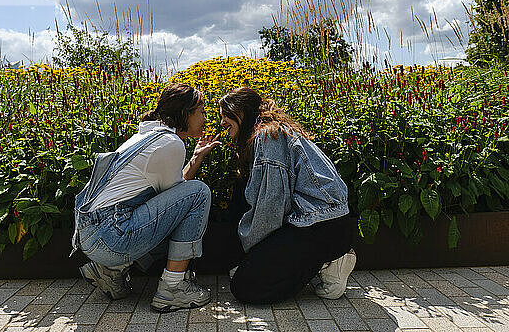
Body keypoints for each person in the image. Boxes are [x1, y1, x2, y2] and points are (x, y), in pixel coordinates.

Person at [71, 83, 221, 312]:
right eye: (201, 111)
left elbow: (170, 201)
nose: (205, 118)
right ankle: (173, 288)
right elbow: (183, 199)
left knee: (168, 201)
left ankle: (110, 271)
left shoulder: (148, 135)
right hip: (112, 237)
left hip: (91, 236)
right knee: (199, 192)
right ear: (184, 113)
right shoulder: (171, 143)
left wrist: (195, 158)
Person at [218, 87, 356, 304]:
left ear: (242, 113)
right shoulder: (275, 131)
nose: (222, 121)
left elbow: (271, 205)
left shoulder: (267, 137)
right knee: (246, 273)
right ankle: (326, 258)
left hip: (318, 225)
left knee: (244, 287)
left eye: (227, 114)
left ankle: (330, 262)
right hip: (327, 222)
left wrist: (254, 256)